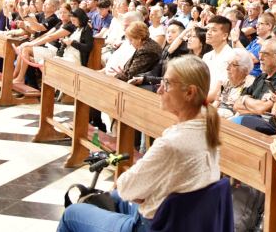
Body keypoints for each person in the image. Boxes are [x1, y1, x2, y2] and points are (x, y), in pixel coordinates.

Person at [57, 55, 221, 232]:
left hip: (152, 226)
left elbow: (127, 187)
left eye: (166, 84)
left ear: (189, 92)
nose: (159, 90)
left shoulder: (172, 143)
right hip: (184, 221)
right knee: (113, 198)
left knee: (73, 213)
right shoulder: (207, 128)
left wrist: (140, 193)